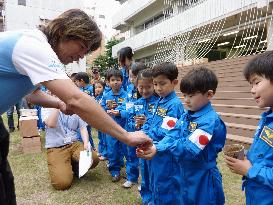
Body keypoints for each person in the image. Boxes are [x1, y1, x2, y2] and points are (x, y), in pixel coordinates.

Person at [0, 9, 150, 204]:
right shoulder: (33, 46)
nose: (80, 56)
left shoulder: (35, 49)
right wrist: (127, 136)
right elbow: (76, 99)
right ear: (65, 32)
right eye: (81, 47)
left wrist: (58, 103)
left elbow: (32, 93)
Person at [138, 67, 226, 205]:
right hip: (185, 172)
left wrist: (160, 148)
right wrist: (157, 146)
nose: (186, 100)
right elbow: (173, 132)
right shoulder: (188, 114)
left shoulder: (210, 121)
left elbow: (188, 148)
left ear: (209, 95)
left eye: (191, 96)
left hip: (202, 177)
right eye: (184, 95)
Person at [225, 51, 273, 205]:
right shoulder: (267, 118)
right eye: (251, 84)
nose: (252, 90)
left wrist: (249, 170)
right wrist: (245, 157)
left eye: (256, 82)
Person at [139, 62, 184, 205]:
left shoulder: (174, 105)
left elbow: (166, 131)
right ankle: (149, 200)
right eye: (155, 84)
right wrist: (142, 132)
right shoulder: (159, 101)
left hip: (163, 153)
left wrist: (145, 136)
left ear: (174, 82)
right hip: (151, 147)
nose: (158, 88)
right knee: (149, 178)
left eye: (162, 84)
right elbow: (150, 121)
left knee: (163, 184)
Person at [42, 107, 99, 190]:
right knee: (62, 184)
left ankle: (76, 167)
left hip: (73, 144)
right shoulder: (47, 107)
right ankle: (65, 167)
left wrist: (86, 143)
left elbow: (83, 127)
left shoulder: (73, 106)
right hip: (56, 147)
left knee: (93, 158)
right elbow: (51, 124)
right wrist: (56, 106)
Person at [115, 62, 146, 188]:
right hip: (129, 126)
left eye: (133, 77)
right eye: (130, 76)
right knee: (130, 154)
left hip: (142, 129)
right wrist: (119, 110)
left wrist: (122, 112)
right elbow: (126, 105)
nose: (131, 79)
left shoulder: (146, 92)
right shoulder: (129, 89)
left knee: (143, 156)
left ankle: (144, 181)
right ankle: (132, 177)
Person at [131, 69, 159, 204]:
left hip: (153, 144)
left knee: (154, 173)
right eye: (141, 87)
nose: (145, 90)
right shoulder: (137, 103)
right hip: (140, 143)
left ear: (154, 85)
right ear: (137, 87)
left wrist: (147, 120)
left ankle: (153, 199)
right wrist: (136, 124)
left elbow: (159, 122)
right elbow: (130, 121)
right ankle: (146, 198)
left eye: (148, 87)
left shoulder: (159, 103)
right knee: (144, 172)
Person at [101, 68, 127, 182]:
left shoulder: (126, 95)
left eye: (118, 79)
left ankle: (120, 162)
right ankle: (114, 171)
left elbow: (129, 108)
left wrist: (120, 111)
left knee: (122, 147)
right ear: (108, 82)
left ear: (122, 81)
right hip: (111, 127)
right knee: (112, 148)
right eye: (112, 80)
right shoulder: (106, 95)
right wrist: (107, 110)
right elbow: (101, 108)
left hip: (123, 126)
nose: (115, 82)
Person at [74, 72, 95, 149]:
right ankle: (92, 148)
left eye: (76, 81)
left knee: (82, 132)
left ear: (81, 81)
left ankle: (86, 149)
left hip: (87, 114)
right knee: (86, 133)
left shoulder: (91, 88)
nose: (76, 83)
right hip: (81, 113)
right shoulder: (79, 89)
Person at [94, 80, 107, 160]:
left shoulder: (105, 97)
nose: (97, 89)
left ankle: (105, 154)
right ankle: (101, 151)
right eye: (96, 87)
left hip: (104, 120)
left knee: (105, 137)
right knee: (100, 137)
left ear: (104, 88)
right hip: (98, 120)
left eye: (99, 87)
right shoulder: (97, 97)